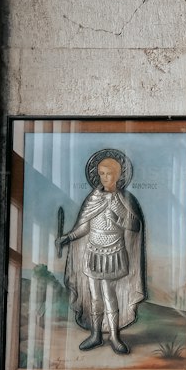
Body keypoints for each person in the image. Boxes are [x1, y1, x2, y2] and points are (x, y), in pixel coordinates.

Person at [59, 150, 145, 354]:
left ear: (118, 175)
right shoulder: (93, 199)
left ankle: (115, 336)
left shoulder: (124, 199)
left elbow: (135, 226)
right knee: (94, 297)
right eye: (102, 174)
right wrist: (68, 237)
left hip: (114, 253)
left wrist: (120, 217)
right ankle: (96, 335)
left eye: (109, 174)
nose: (105, 178)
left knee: (109, 296)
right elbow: (84, 227)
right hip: (92, 253)